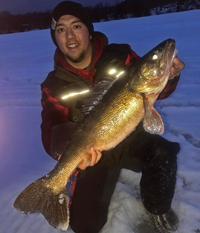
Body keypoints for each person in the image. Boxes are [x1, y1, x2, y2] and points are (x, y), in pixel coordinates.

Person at [40, 1, 185, 232]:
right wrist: (71, 157)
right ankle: (53, 188)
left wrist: (170, 76)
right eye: (60, 29)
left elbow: (158, 91)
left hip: (131, 140)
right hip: (94, 153)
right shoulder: (53, 84)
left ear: (89, 30)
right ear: (55, 37)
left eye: (76, 26)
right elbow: (52, 129)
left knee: (163, 152)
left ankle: (157, 208)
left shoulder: (122, 55)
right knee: (85, 225)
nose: (70, 35)